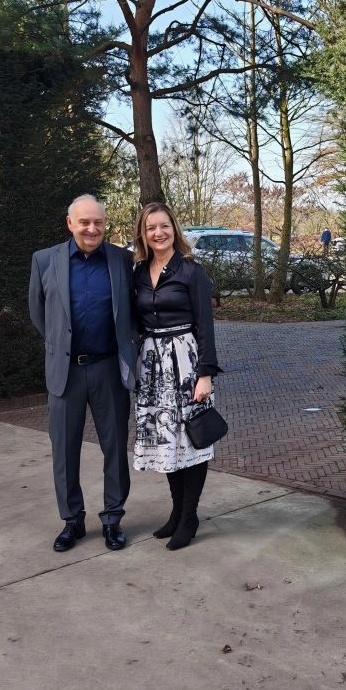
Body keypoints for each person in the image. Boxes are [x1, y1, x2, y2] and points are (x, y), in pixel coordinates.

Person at [29, 195, 138, 552]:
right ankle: (72, 521)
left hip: (109, 369)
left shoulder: (122, 261)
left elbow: (132, 312)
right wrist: (60, 345)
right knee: (64, 449)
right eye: (84, 222)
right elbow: (38, 313)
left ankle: (112, 519)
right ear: (70, 223)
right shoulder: (45, 260)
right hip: (66, 371)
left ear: (106, 225)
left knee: (115, 447)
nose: (92, 229)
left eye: (98, 222)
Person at [132, 202, 221, 550]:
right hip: (153, 366)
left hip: (186, 363)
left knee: (191, 439)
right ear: (143, 234)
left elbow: (206, 325)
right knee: (166, 440)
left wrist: (205, 374)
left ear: (175, 229)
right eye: (151, 227)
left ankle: (189, 516)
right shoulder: (139, 272)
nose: (159, 232)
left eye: (164, 226)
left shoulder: (190, 271)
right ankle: (176, 512)